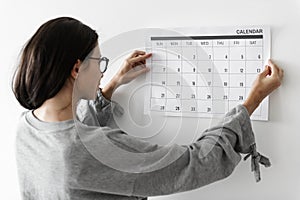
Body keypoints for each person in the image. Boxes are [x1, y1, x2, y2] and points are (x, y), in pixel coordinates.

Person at [12, 17, 283, 200]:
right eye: (99, 62)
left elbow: (75, 131)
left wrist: (112, 85)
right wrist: (251, 102)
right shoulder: (89, 150)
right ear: (75, 69)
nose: (102, 70)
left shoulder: (28, 126)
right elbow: (195, 163)